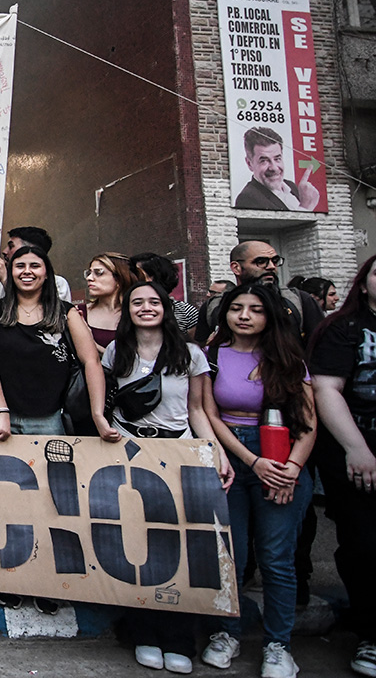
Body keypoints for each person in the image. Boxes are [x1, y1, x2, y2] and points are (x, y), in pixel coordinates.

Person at [93, 281, 232, 673]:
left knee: (178, 546)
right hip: (131, 451)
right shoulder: (116, 351)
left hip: (178, 451)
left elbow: (198, 410)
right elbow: (106, 401)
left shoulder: (190, 354)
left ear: (165, 308)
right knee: (135, 543)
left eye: (154, 302)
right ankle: (143, 633)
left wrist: (215, 452)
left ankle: (178, 638)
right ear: (128, 310)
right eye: (137, 302)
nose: (146, 308)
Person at [0, 244, 104, 614]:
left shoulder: (65, 313)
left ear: (47, 272)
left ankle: (46, 580)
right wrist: (1, 409)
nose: (27, 271)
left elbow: (91, 361)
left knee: (51, 502)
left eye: (35, 265)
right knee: (3, 499)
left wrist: (98, 415)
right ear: (11, 271)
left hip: (48, 418)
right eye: (20, 265)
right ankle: (7, 578)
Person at [199, 283, 316, 678]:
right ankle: (226, 633)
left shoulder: (288, 358)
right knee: (229, 556)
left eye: (255, 309)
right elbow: (210, 415)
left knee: (276, 558)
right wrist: (250, 460)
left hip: (282, 459)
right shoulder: (212, 355)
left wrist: (291, 469)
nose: (244, 316)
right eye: (236, 308)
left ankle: (278, 646)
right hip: (231, 456)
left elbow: (308, 423)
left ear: (271, 315)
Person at [308, 254, 376, 677]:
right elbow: (326, 390)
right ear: (363, 283)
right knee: (364, 544)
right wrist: (356, 448)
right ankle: (370, 634)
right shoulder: (343, 328)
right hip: (358, 452)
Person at [195, 241, 325, 345]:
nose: (271, 267)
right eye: (261, 261)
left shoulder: (299, 300)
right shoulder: (215, 306)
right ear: (236, 268)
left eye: (275, 261)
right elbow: (202, 352)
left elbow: (321, 347)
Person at [0, 226, 73, 304]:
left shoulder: (57, 284)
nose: (4, 251)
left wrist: (5, 280)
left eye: (11, 246)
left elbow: (39, 314)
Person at [233, 127, 320, 211]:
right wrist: (305, 207)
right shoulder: (247, 198)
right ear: (249, 164)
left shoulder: (291, 186)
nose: (274, 167)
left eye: (277, 159)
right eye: (263, 161)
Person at [128, 252, 198, 335]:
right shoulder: (123, 310)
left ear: (155, 277)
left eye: (138, 275)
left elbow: (194, 341)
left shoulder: (185, 312)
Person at [79, 252, 132, 353]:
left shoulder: (135, 313)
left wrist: (91, 343)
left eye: (98, 273)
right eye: (89, 273)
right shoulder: (79, 312)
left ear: (119, 279)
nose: (89, 278)